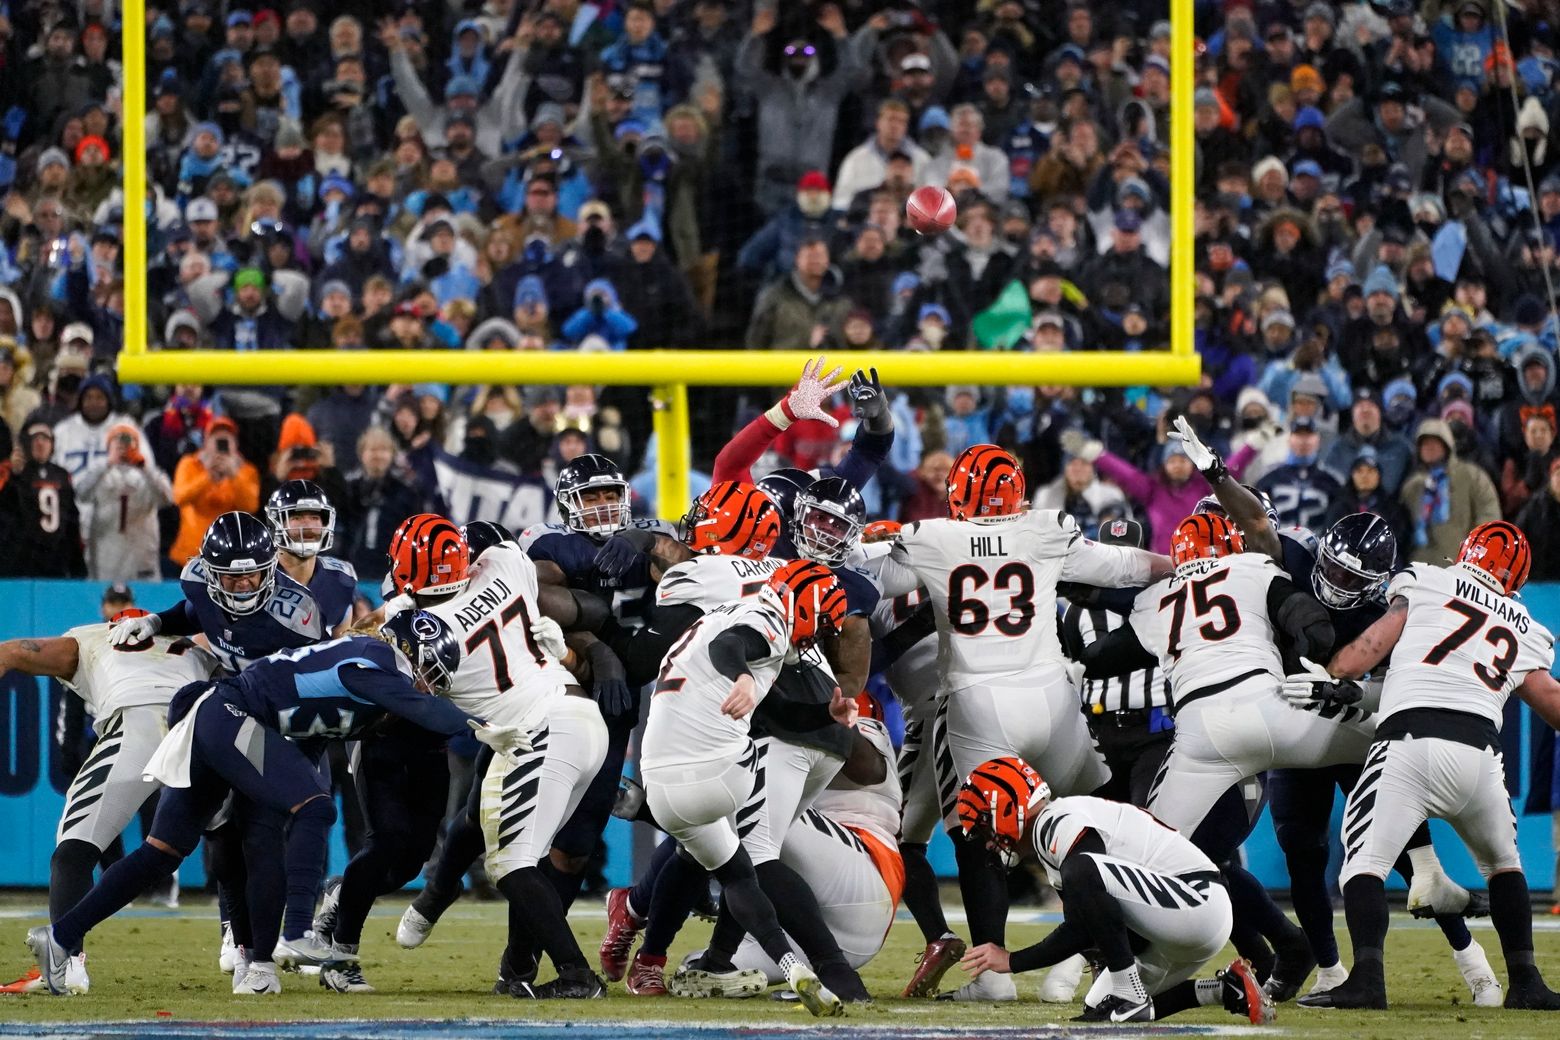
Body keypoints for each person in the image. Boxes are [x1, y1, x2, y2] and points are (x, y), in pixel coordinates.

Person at [27, 611, 527, 997]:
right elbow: (416, 703)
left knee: (163, 850)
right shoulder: (373, 661)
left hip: (223, 719)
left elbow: (313, 718)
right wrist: (475, 727)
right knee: (316, 808)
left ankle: (61, 935)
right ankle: (296, 932)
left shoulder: (367, 671)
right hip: (230, 714)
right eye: (427, 670)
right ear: (408, 653)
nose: (425, 682)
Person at [868, 444, 1170, 1001]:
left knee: (978, 834)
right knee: (1095, 823)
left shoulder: (933, 537)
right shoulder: (1045, 527)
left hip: (979, 704)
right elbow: (1122, 565)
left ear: (958, 495)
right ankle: (1102, 960)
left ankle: (992, 976)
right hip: (1052, 696)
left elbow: (865, 583)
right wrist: (1180, 566)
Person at [1300, 521, 1560, 1010]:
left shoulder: (1425, 580)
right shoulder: (1525, 626)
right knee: (1505, 866)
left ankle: (1368, 978)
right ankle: (1527, 982)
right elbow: (1550, 700)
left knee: (1365, 864)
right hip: (1480, 758)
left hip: (1409, 742)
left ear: (1466, 552)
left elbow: (1371, 648)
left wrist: (1334, 675)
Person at [385, 515, 613, 999]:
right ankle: (516, 967)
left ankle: (577, 975)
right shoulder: (505, 563)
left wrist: (398, 608)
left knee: (511, 862)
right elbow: (493, 548)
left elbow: (420, 665)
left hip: (540, 730)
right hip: (578, 714)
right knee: (507, 839)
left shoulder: (423, 632)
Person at [636, 559, 850, 1017]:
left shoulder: (728, 610)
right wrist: (746, 676)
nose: (815, 640)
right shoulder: (768, 619)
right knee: (757, 854)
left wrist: (823, 717)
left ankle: (793, 967)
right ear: (804, 607)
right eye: (819, 626)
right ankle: (806, 961)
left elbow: (734, 651)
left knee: (738, 873)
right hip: (723, 773)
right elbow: (729, 647)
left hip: (662, 785)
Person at [952, 757, 1273, 1024]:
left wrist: (1012, 960)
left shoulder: (1054, 821)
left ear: (1006, 810)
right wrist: (1012, 961)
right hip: (1182, 917)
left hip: (1194, 901)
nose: (989, 841)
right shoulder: (1058, 828)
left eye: (984, 826)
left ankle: (1128, 989)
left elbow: (1087, 875)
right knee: (1101, 1008)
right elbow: (1083, 929)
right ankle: (1225, 989)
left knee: (1083, 872)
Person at [1, 612, 219, 994]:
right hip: (204, 729)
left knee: (74, 851)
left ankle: (66, 963)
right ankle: (251, 952)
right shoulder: (198, 646)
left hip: (138, 725)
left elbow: (11, 652)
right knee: (237, 833)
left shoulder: (89, 639)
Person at [75, 424, 175, 581]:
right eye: (118, 443)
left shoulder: (148, 476)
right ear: (109, 446)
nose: (124, 448)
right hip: (105, 560)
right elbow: (81, 493)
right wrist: (107, 464)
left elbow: (167, 498)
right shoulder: (99, 474)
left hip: (141, 559)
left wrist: (145, 467)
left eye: (129, 443)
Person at [262, 478, 357, 635]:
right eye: (297, 518)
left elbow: (341, 647)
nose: (307, 525)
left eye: (314, 518)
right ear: (275, 523)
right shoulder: (254, 577)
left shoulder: (341, 578)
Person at [168, 417, 261, 567]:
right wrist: (207, 476)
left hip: (228, 558)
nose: (222, 443)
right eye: (216, 439)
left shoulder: (247, 470)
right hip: (189, 557)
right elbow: (179, 498)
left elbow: (250, 507)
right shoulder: (189, 464)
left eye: (227, 439)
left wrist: (234, 475)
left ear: (235, 444)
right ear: (206, 443)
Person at [3, 421, 87, 578]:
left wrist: (77, 560)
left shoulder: (61, 475)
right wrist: (12, 475)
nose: (40, 443)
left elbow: (71, 519)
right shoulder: (14, 473)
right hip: (22, 554)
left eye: (45, 438)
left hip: (55, 553)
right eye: (34, 438)